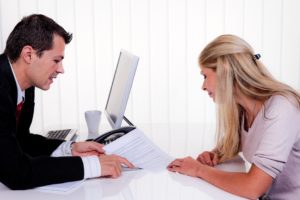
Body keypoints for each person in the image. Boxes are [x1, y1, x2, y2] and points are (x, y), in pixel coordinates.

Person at [0, 14, 134, 190]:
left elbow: (21, 141)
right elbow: (17, 173)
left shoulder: (25, 83)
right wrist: (92, 167)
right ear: (29, 55)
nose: (61, 69)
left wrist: (69, 149)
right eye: (56, 60)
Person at [167, 34, 300, 199]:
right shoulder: (243, 109)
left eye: (205, 76)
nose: (203, 86)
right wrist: (218, 153)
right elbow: (242, 143)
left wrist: (199, 169)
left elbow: (253, 188)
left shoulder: (282, 108)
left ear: (225, 71)